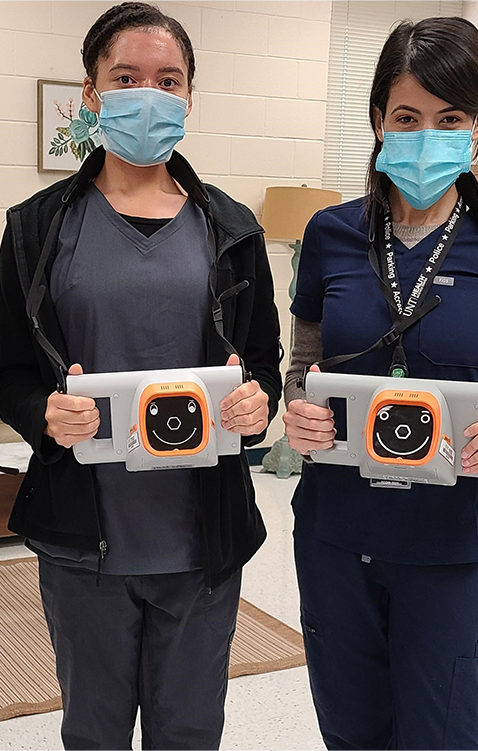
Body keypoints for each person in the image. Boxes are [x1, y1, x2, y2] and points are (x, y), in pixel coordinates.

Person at [0, 3, 282, 748]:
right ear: (92, 92)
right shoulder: (36, 228)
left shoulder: (232, 228)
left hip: (201, 537)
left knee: (188, 731)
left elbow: (264, 364)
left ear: (189, 97)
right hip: (86, 538)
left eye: (168, 79)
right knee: (93, 731)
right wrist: (44, 412)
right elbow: (15, 376)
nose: (148, 93)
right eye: (126, 77)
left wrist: (256, 404)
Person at [283, 16, 478, 751]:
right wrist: (298, 409)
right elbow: (301, 366)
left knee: (443, 732)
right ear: (377, 122)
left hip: (455, 544)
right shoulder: (331, 233)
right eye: (407, 117)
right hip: (339, 533)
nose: (427, 134)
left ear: (474, 127)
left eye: (449, 117)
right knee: (352, 729)